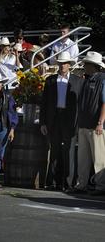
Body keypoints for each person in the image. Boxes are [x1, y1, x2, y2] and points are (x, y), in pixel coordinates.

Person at [40, 52, 83, 191]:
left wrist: (78, 123)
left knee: (69, 152)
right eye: (60, 63)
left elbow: (80, 104)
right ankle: (53, 182)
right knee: (55, 151)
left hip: (70, 120)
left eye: (65, 63)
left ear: (69, 64)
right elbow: (44, 103)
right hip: (54, 118)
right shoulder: (50, 80)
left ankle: (68, 182)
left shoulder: (78, 81)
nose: (62, 65)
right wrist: (43, 122)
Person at [75, 51, 105, 194]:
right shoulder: (86, 80)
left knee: (99, 158)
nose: (84, 66)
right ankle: (82, 184)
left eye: (87, 64)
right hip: (84, 124)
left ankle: (100, 186)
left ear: (94, 66)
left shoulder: (102, 80)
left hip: (95, 125)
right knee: (83, 158)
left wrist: (100, 122)